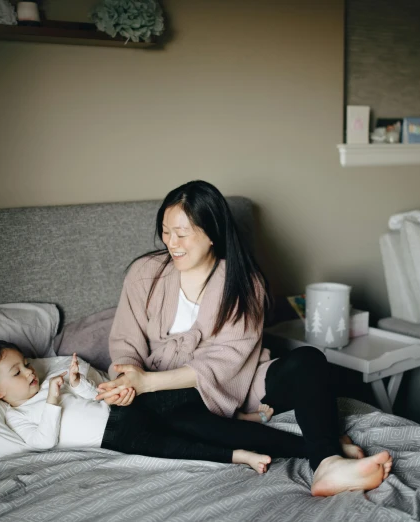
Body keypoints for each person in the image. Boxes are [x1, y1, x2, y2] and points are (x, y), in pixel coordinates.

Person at [96, 180, 393, 496]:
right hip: (164, 393)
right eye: (166, 231)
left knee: (310, 361)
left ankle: (326, 463)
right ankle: (319, 450)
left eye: (182, 233)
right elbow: (125, 341)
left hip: (237, 381)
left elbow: (224, 364)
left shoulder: (244, 284)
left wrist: (148, 383)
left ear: (212, 235)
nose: (172, 242)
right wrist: (127, 380)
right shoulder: (144, 274)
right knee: (164, 412)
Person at [0, 340, 274, 473]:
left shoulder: (47, 382)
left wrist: (77, 380)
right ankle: (240, 456)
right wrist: (53, 402)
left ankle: (237, 412)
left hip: (123, 410)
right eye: (17, 372)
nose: (30, 372)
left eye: (27, 364)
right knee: (176, 446)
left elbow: (93, 395)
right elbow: (42, 441)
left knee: (180, 401)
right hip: (115, 438)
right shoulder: (17, 417)